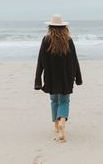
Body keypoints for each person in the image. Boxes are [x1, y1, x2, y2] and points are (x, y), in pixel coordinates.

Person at [34, 14, 83, 142]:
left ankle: (56, 125)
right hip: (66, 77)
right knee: (64, 101)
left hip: (51, 77)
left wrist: (38, 80)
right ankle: (62, 121)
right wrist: (78, 78)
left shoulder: (46, 40)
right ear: (64, 28)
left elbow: (41, 61)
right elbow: (75, 61)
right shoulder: (68, 40)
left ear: (50, 27)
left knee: (54, 101)